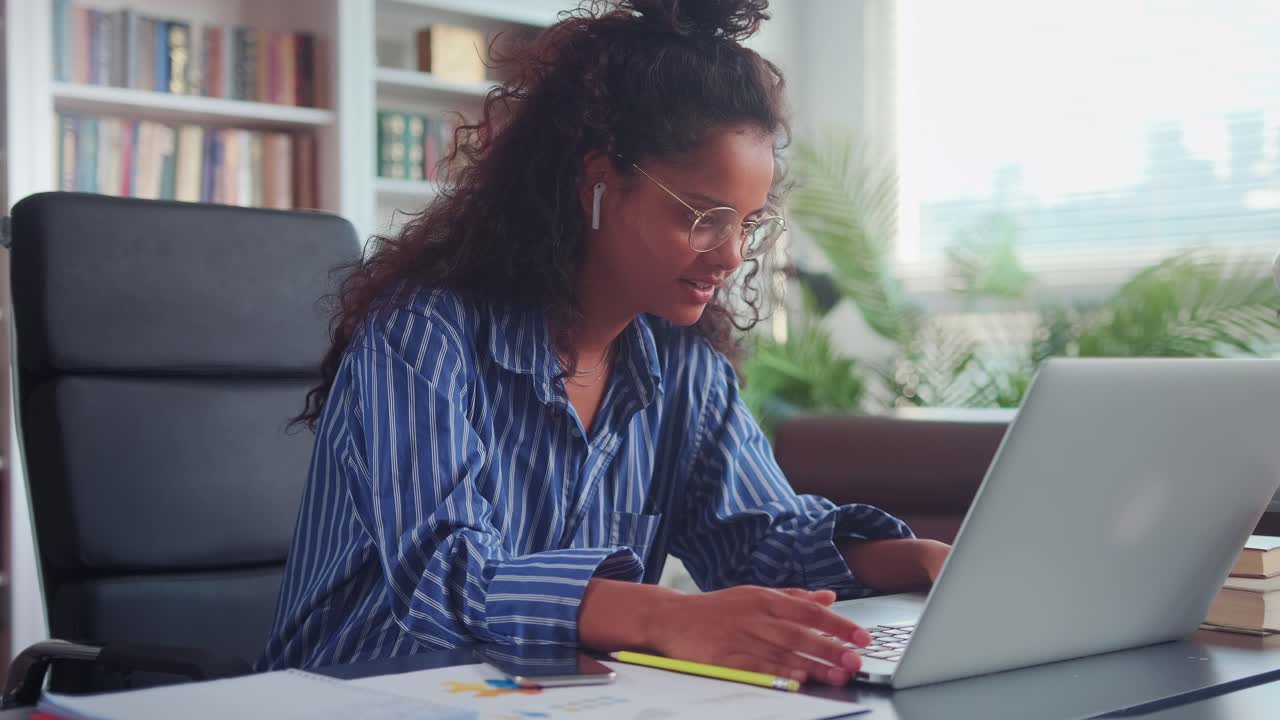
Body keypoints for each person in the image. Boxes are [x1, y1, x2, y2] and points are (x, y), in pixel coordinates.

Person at [260, 0, 949, 687]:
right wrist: (667, 618)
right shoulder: (422, 336)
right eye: (704, 216)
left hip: (540, 700)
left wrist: (922, 561)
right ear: (598, 181)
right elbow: (445, 575)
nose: (732, 255)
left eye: (749, 224)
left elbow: (759, 538)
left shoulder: (684, 373)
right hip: (349, 693)